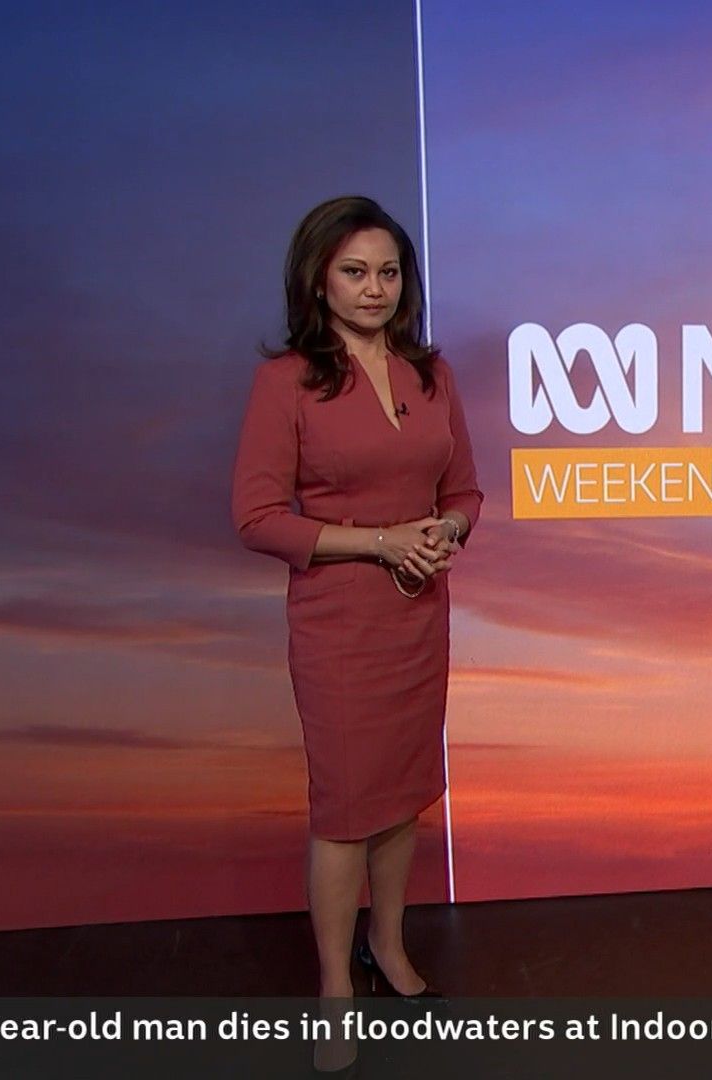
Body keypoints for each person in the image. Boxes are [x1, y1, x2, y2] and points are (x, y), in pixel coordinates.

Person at [231, 196, 482, 1054]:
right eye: (354, 272)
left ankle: (389, 947)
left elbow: (464, 492)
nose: (375, 288)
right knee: (345, 808)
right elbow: (258, 518)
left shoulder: (431, 374)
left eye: (388, 272)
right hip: (340, 624)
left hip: (419, 615)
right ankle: (336, 987)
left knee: (401, 796)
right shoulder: (287, 382)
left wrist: (445, 532)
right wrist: (379, 541)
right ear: (319, 280)